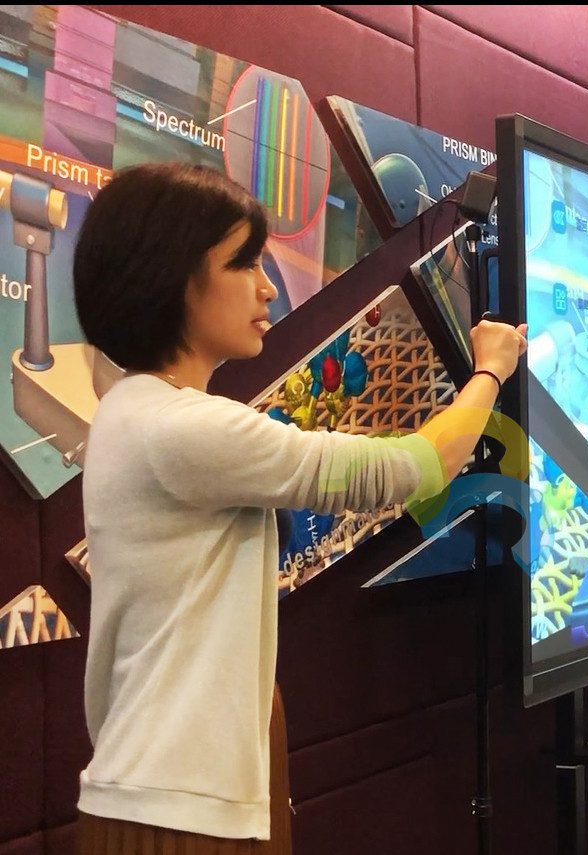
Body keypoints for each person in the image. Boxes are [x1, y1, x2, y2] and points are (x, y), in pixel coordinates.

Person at [70, 161, 527, 855]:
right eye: (242, 263)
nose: (266, 286)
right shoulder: (179, 428)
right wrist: (490, 368)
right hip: (178, 806)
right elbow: (418, 467)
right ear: (171, 277)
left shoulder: (136, 413)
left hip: (183, 788)